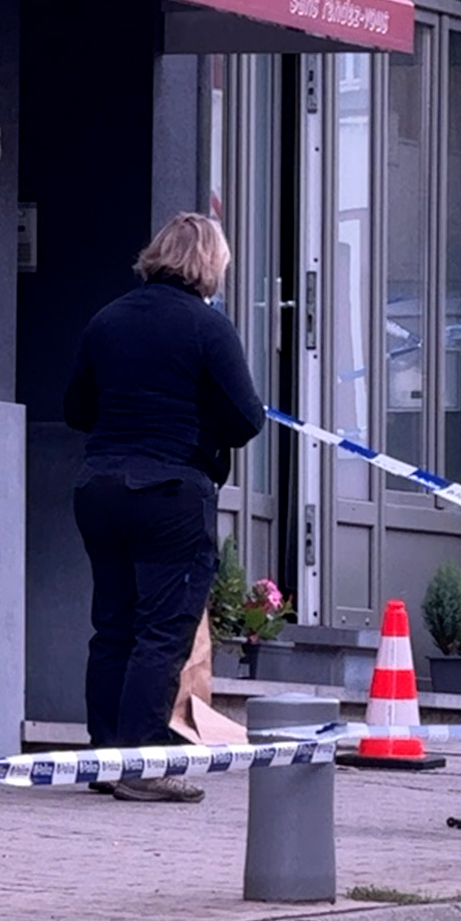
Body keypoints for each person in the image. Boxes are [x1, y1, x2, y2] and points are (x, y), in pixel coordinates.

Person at [65, 213, 264, 804]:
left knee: (113, 629)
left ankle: (105, 756)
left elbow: (77, 409)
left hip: (99, 489)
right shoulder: (207, 329)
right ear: (210, 264)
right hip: (171, 492)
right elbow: (247, 419)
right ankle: (143, 761)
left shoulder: (107, 319)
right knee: (162, 631)